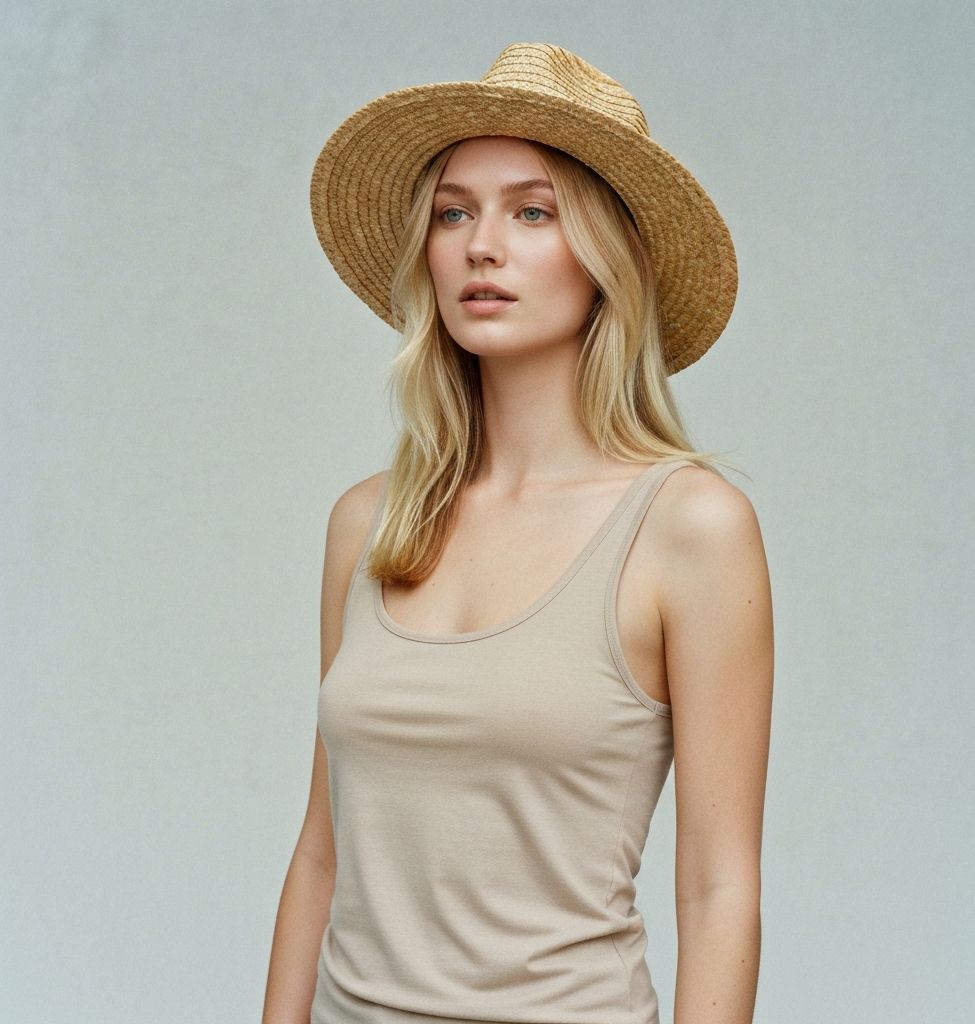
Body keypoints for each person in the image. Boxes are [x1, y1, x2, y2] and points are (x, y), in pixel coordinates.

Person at [262, 42, 774, 1024]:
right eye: (453, 212)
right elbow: (322, 854)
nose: (480, 246)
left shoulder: (689, 529)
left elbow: (719, 889)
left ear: (608, 258)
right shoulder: (368, 523)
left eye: (532, 212)